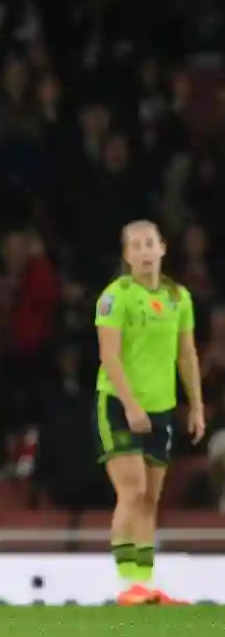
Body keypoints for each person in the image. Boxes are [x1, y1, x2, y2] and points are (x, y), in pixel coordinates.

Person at [94, 220, 206, 606]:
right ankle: (126, 585)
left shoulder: (179, 297)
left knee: (151, 498)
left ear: (162, 248)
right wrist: (130, 405)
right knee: (133, 489)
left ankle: (144, 583)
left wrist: (196, 406)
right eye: (135, 246)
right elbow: (109, 355)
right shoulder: (115, 296)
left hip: (162, 407)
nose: (143, 251)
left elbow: (186, 355)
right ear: (126, 256)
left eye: (149, 244)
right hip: (118, 403)